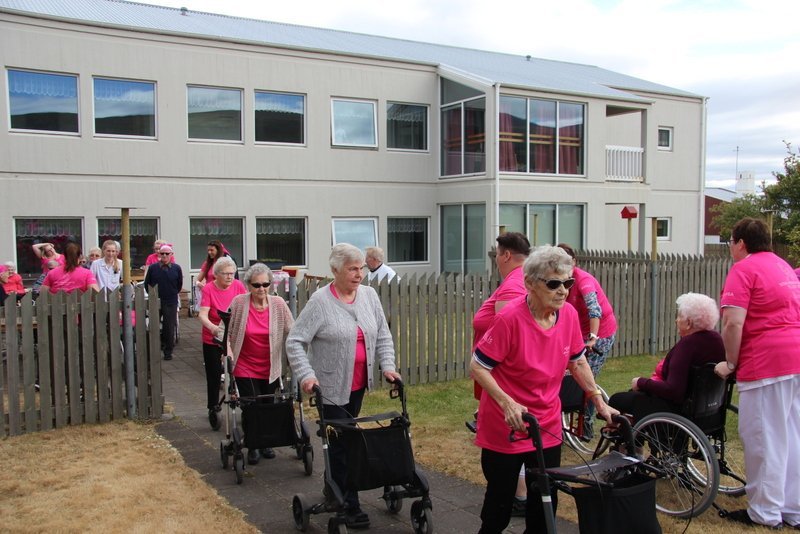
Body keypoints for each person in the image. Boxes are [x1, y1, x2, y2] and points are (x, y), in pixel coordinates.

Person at [470, 245, 616, 534]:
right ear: (530, 284)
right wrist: (507, 403)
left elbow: (578, 361)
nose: (563, 291)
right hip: (507, 426)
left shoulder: (569, 315)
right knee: (498, 507)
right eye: (553, 284)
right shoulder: (510, 319)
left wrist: (599, 400)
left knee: (545, 506)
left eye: (567, 283)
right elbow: (478, 366)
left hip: (547, 425)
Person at [286, 243, 401, 530]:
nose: (359, 274)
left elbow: (383, 335)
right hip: (328, 388)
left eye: (361, 268)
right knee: (340, 445)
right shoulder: (320, 302)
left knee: (348, 440)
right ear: (335, 270)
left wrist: (388, 366)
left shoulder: (369, 296)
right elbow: (295, 341)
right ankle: (348, 503)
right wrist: (306, 375)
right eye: (352, 269)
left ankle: (335, 487)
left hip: (358, 385)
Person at [713, 218, 800, 530]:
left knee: (763, 437)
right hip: (795, 357)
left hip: (766, 362)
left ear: (740, 243)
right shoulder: (782, 266)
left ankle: (764, 512)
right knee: (791, 435)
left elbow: (732, 322)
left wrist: (731, 362)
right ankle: (793, 507)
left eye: (731, 242)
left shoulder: (744, 269)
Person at [471, 231, 531, 515]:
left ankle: (517, 496)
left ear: (506, 255)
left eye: (497, 255)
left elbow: (510, 334)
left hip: (503, 378)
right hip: (505, 378)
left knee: (509, 439)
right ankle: (519, 493)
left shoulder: (513, 285)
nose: (496, 260)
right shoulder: (519, 280)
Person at [608, 292, 724, 421]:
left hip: (677, 409)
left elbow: (673, 391)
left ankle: (627, 433)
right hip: (708, 410)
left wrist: (641, 382)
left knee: (616, 399)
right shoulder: (717, 340)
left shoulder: (687, 345)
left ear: (689, 323)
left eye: (679, 316)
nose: (676, 320)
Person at [227, 263, 294, 464]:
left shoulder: (278, 304)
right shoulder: (239, 303)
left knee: (268, 405)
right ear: (248, 285)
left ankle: (266, 443)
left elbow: (293, 330)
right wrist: (227, 351)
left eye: (265, 284)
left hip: (270, 366)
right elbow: (225, 330)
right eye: (256, 285)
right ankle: (253, 445)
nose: (261, 289)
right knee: (252, 405)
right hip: (244, 364)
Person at [557, 243, 617, 437]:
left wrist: (592, 338)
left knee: (587, 377)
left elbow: (594, 310)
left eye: (567, 262)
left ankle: (588, 422)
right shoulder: (557, 279)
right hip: (578, 330)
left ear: (574, 262)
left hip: (600, 332)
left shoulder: (584, 281)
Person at [198, 256, 246, 431]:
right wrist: (212, 327)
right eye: (226, 273)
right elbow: (202, 314)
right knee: (214, 373)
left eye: (232, 273)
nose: (229, 276)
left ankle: (243, 400)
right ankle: (213, 406)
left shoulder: (238, 286)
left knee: (240, 370)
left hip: (234, 335)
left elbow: (246, 308)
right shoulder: (209, 289)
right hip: (213, 336)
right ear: (216, 274)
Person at [144, 244, 183, 361]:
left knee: (169, 327)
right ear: (159, 254)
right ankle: (153, 350)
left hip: (170, 301)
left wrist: (172, 293)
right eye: (162, 253)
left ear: (171, 254)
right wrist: (153, 296)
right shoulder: (153, 268)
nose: (164, 255)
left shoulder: (177, 268)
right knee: (153, 326)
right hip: (155, 300)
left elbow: (179, 285)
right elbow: (147, 284)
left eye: (167, 253)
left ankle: (168, 352)